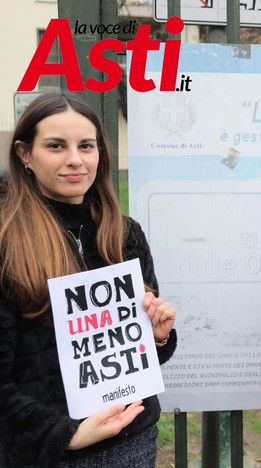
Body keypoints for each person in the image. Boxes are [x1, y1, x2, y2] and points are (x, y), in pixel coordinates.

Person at [0, 92, 177, 467]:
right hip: (47, 453)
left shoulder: (124, 233)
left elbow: (132, 352)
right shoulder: (6, 242)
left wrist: (158, 336)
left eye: (86, 146)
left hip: (134, 439)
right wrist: (64, 435)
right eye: (55, 146)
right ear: (24, 154)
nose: (75, 160)